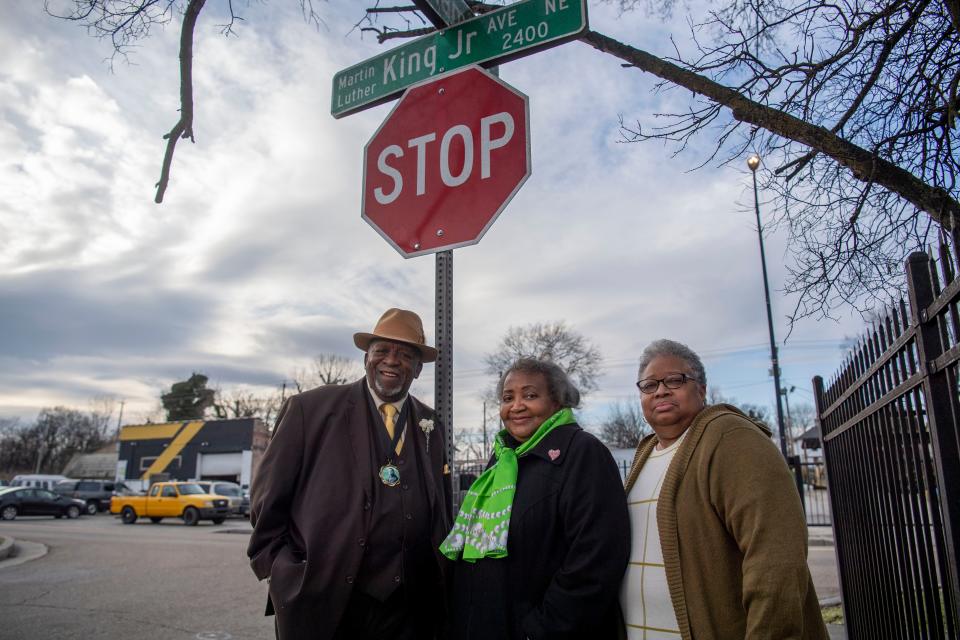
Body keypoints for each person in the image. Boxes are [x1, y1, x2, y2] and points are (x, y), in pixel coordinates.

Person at [247, 308, 453, 640]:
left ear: (417, 369)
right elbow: (267, 498)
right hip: (326, 599)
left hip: (410, 607)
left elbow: (441, 504)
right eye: (382, 351)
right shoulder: (309, 410)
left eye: (404, 355)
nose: (391, 360)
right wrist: (279, 569)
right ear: (366, 358)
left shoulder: (431, 424)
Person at [621, 339, 828, 639]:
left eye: (675, 380)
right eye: (649, 385)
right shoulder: (645, 452)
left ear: (702, 389)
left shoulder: (731, 438)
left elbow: (776, 558)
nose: (661, 390)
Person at [442, 358, 630, 640]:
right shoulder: (503, 460)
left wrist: (540, 630)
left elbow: (595, 561)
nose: (516, 406)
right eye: (508, 397)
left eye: (530, 395)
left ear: (557, 401)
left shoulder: (583, 453)